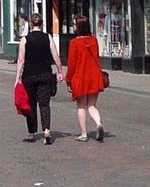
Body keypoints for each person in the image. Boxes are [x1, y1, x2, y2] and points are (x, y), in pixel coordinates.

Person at [14, 12, 63, 144]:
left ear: (30, 24)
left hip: (29, 76)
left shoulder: (25, 40)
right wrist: (60, 71)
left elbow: (21, 60)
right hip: (45, 74)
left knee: (30, 104)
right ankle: (46, 130)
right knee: (44, 104)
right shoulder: (48, 37)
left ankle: (31, 133)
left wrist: (17, 78)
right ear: (41, 24)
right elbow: (56, 56)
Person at [64, 15, 105, 141]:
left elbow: (71, 64)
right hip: (94, 76)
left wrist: (68, 80)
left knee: (81, 106)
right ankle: (98, 123)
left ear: (78, 26)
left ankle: (84, 134)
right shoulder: (94, 40)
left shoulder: (74, 43)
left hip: (80, 77)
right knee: (92, 105)